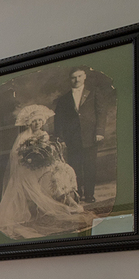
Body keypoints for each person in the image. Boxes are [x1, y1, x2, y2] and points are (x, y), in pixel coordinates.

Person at [0, 104, 91, 240]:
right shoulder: (23, 136)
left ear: (43, 122)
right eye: (34, 121)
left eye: (39, 120)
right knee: (52, 175)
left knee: (64, 169)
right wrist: (29, 158)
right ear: (29, 123)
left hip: (42, 163)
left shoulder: (44, 134)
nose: (37, 123)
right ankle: (69, 202)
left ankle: (69, 198)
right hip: (27, 167)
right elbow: (16, 156)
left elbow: (47, 153)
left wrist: (44, 159)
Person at [51, 68, 100, 203]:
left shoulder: (94, 93)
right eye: (73, 77)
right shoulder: (64, 99)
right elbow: (59, 119)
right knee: (75, 167)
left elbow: (101, 113)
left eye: (79, 76)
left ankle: (90, 195)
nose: (77, 79)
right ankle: (77, 195)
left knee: (90, 166)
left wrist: (100, 132)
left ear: (84, 77)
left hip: (90, 136)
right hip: (72, 138)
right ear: (70, 79)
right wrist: (60, 138)